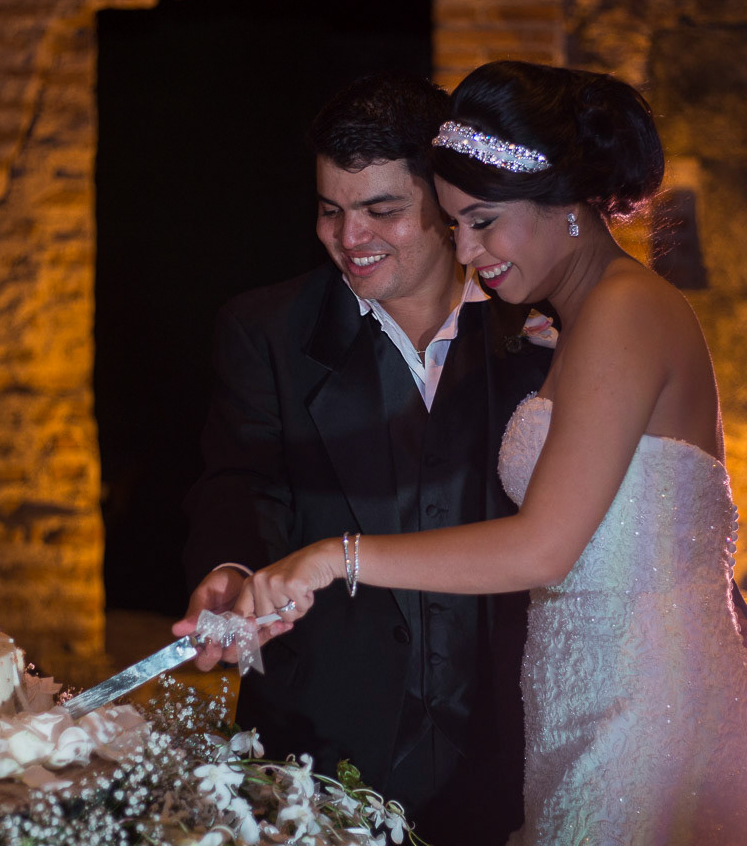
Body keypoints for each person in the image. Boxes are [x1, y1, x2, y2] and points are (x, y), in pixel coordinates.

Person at [238, 62, 747, 845]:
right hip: (587, 695)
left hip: (644, 706)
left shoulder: (624, 312)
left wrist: (336, 557)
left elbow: (542, 549)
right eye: (455, 223)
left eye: (483, 221)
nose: (466, 247)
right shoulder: (579, 324)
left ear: (565, 203)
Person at [175, 71, 552, 845]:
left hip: (511, 737)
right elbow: (240, 477)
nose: (350, 239)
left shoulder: (539, 330)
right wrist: (233, 567)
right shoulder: (265, 329)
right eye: (330, 210)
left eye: (382, 211)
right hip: (324, 736)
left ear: (446, 204)